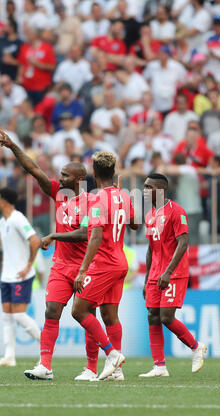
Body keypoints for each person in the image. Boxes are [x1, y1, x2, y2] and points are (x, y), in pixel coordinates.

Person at [0, 126, 91, 381]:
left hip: (86, 266)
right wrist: (14, 146)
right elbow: (34, 170)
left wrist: (53, 236)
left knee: (88, 316)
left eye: (65, 175)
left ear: (79, 180)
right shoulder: (59, 195)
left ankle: (97, 366)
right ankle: (45, 366)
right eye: (60, 174)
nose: (59, 179)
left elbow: (85, 235)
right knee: (51, 311)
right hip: (61, 264)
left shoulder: (91, 203)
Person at [71, 151, 138, 381]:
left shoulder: (99, 199)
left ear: (94, 172)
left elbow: (95, 236)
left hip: (104, 263)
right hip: (120, 262)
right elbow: (135, 224)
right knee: (110, 315)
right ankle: (117, 372)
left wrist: (82, 270)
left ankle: (112, 355)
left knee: (79, 310)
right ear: (114, 171)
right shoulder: (124, 196)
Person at [140, 173, 207, 377]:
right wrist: (146, 280)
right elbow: (151, 249)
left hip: (174, 274)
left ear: (160, 190)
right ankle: (159, 366)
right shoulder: (150, 215)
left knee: (166, 317)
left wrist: (168, 272)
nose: (144, 190)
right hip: (154, 274)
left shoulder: (177, 212)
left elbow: (183, 242)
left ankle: (196, 347)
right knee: (152, 316)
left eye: (148, 187)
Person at [0, 187, 41, 367]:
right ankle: (9, 356)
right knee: (7, 316)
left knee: (19, 316)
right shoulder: (3, 223)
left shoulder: (18, 219)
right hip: (7, 276)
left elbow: (35, 240)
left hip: (21, 275)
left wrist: (28, 266)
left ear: (3, 202)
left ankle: (46, 347)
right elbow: (9, 250)